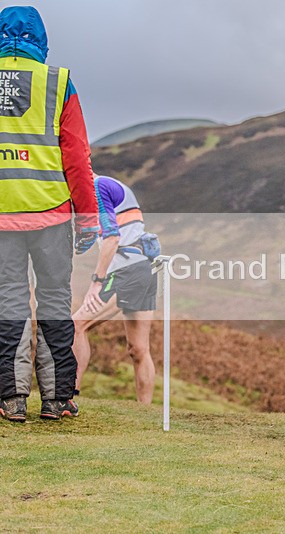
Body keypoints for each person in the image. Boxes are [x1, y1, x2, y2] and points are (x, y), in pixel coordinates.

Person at [0, 6, 99, 422]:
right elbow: (77, 157)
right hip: (52, 214)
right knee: (55, 300)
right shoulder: (58, 83)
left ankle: (11, 398)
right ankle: (57, 400)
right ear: (41, 41)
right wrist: (88, 218)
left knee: (9, 301)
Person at [72, 174, 157, 404]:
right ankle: (145, 411)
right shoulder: (112, 185)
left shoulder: (98, 187)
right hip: (144, 268)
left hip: (125, 270)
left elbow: (112, 238)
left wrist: (97, 280)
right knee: (139, 349)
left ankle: (70, 395)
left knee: (76, 325)